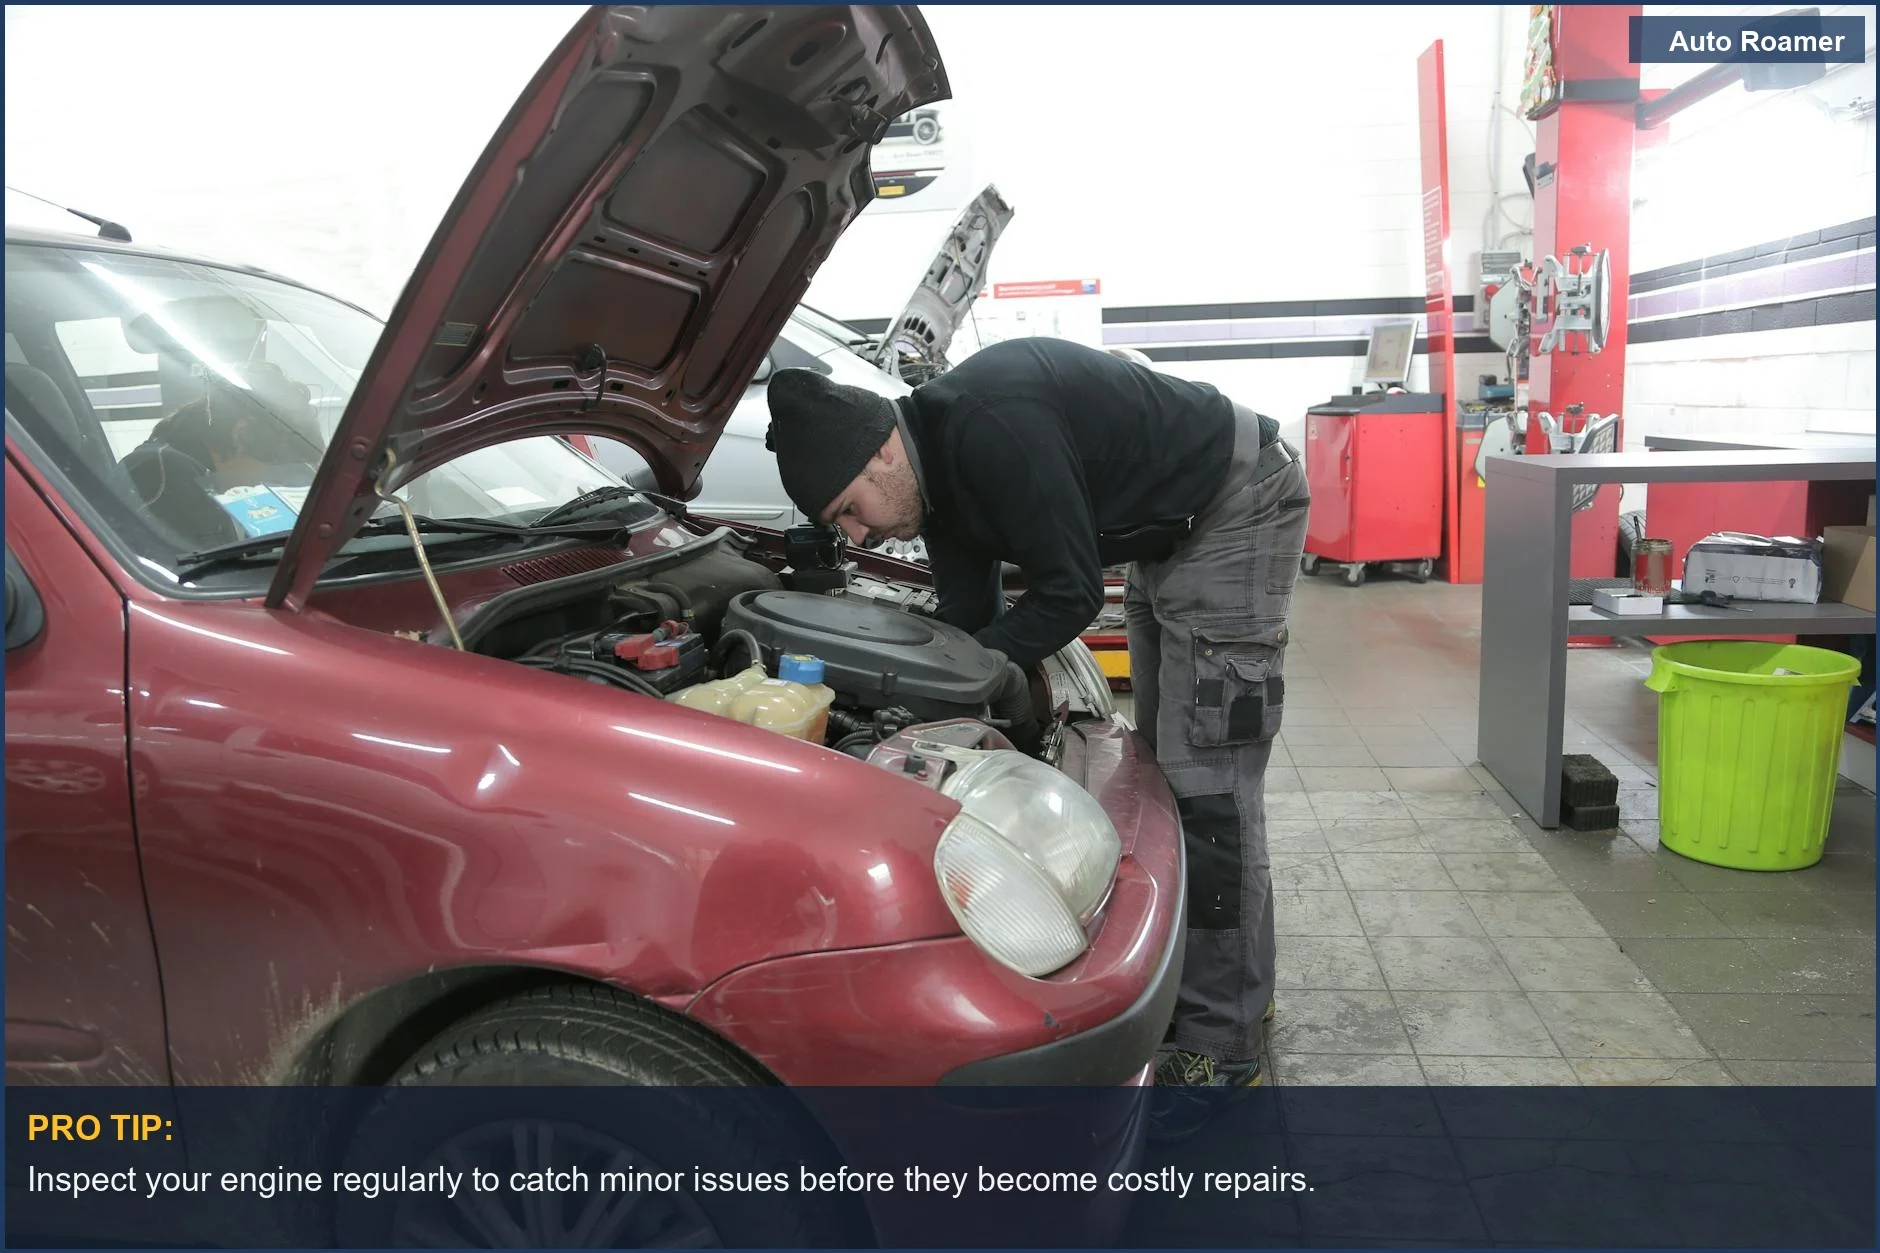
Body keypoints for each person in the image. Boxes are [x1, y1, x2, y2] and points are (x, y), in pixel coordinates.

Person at [762, 336, 1310, 1113]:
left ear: (882, 451)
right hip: (1171, 531)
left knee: (1207, 789)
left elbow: (1071, 594)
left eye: (849, 509)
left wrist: (985, 671)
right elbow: (969, 619)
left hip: (1235, 504)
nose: (855, 536)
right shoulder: (934, 482)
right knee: (1174, 773)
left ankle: (1224, 1045)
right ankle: (1236, 990)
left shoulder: (989, 428)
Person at [122, 375, 318, 547]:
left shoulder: (187, 467)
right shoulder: (165, 476)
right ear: (242, 433)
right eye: (279, 469)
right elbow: (209, 576)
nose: (274, 484)